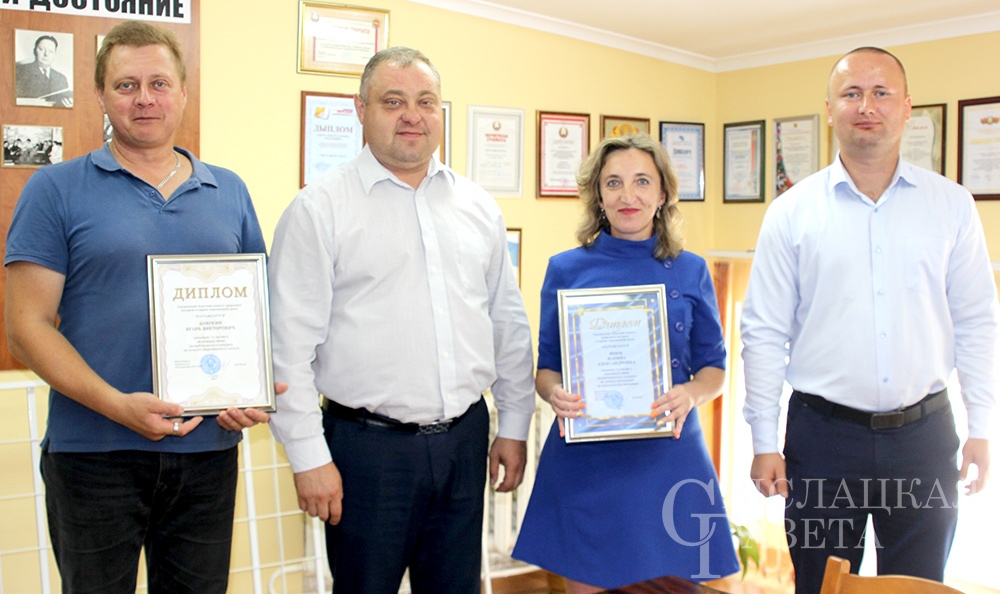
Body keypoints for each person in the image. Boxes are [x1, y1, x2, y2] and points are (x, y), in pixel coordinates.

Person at [4, 21, 272, 594]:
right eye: (126, 85)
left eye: (159, 83)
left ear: (183, 92)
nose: (144, 98)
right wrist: (117, 406)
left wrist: (253, 390)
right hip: (94, 453)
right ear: (101, 95)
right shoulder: (54, 189)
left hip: (208, 451)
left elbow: (256, 314)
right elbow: (26, 328)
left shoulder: (230, 191)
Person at [267, 46, 536, 594]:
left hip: (464, 442)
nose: (412, 115)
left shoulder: (477, 207)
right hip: (367, 453)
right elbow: (286, 348)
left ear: (440, 111)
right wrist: (307, 455)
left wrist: (514, 424)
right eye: (393, 101)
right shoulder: (319, 209)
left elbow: (506, 323)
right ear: (361, 109)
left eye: (425, 101)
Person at [742, 47, 998, 594]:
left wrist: (981, 426)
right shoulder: (791, 212)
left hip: (924, 439)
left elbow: (977, 321)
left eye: (881, 93)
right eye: (852, 93)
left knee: (918, 588)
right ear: (829, 109)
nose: (867, 106)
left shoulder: (952, 206)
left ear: (907, 108)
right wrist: (764, 440)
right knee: (821, 585)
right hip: (822, 439)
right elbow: (763, 332)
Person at [512, 134, 739, 593]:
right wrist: (554, 392)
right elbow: (547, 367)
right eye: (613, 183)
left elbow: (714, 368)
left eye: (642, 182)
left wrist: (691, 393)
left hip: (669, 459)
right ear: (598, 196)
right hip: (588, 464)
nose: (627, 195)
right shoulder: (565, 269)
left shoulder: (691, 269)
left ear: (663, 193)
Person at [16, 34, 73, 107]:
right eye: (41, 49)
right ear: (34, 51)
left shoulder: (61, 78)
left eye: (51, 51)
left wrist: (69, 106)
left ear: (54, 55)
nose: (46, 54)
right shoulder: (20, 71)